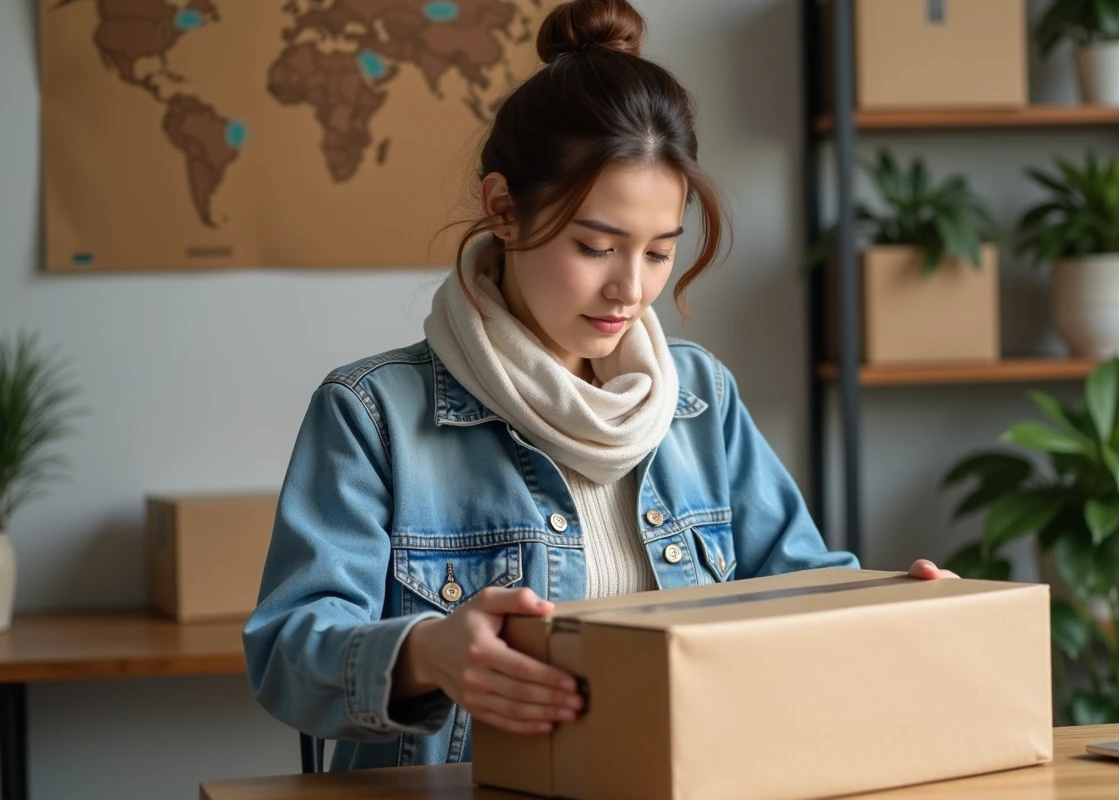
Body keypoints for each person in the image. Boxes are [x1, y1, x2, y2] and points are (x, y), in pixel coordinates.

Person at [242, 0, 957, 772]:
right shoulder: (372, 414)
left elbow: (793, 586)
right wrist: (428, 653)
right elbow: (286, 655)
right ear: (503, 209)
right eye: (596, 246)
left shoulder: (698, 398)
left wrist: (892, 604)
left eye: (658, 253)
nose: (630, 289)